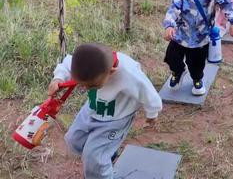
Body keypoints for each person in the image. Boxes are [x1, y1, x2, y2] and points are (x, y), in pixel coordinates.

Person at [48, 42, 162, 179]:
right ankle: (106, 154)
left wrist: (152, 113)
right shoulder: (86, 62)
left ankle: (99, 164)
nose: (87, 89)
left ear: (111, 72)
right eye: (83, 86)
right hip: (92, 109)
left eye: (92, 86)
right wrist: (58, 78)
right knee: (73, 140)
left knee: (95, 157)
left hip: (116, 118)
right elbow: (67, 63)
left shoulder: (128, 73)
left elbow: (147, 92)